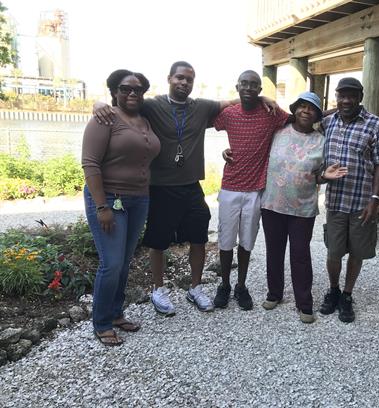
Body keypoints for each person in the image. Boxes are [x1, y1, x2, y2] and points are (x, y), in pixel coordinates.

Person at [93, 61, 277, 316]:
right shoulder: (153, 105)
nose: (184, 82)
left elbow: (233, 101)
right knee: (158, 241)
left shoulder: (201, 107)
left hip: (191, 185)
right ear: (169, 78)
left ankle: (195, 287)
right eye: (179, 77)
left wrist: (263, 96)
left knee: (199, 236)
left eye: (189, 79)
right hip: (161, 186)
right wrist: (99, 104)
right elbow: (125, 103)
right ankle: (158, 289)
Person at [82, 69, 160, 346]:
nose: (132, 93)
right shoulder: (104, 118)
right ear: (114, 91)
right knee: (112, 263)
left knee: (124, 261)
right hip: (108, 199)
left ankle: (116, 314)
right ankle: (101, 322)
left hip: (139, 199)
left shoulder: (145, 119)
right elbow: (90, 164)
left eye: (138, 89)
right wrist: (101, 206)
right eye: (125, 88)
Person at [259, 92, 347, 323]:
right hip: (272, 204)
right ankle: (274, 293)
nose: (306, 111)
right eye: (302, 106)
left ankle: (304, 303)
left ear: (318, 115)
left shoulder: (321, 141)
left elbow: (318, 175)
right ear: (295, 109)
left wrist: (325, 177)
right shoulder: (278, 132)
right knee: (274, 252)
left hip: (302, 208)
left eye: (312, 109)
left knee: (300, 255)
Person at [212, 70, 290, 311]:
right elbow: (202, 119)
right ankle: (224, 285)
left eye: (254, 85)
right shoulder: (228, 114)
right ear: (237, 87)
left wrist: (330, 114)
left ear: (259, 89)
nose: (248, 88)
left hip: (256, 190)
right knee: (226, 241)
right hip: (230, 187)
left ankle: (241, 286)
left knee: (247, 241)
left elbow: (299, 119)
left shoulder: (271, 113)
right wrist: (223, 151)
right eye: (244, 84)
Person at [319, 77, 379, 323]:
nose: (346, 100)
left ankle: (347, 295)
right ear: (336, 97)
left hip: (362, 202)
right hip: (336, 201)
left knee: (357, 252)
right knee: (333, 252)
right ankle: (334, 290)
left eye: (352, 96)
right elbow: (301, 117)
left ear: (361, 97)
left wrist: (375, 199)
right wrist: (334, 108)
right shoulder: (328, 122)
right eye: (342, 96)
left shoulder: (375, 124)